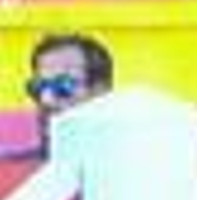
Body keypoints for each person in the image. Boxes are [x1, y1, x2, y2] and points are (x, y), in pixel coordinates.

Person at [3, 32, 114, 162]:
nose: (46, 99)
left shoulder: (133, 167)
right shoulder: (15, 170)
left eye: (63, 85)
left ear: (100, 92)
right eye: (38, 87)